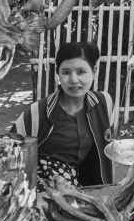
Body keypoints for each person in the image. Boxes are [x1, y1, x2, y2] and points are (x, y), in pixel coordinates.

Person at [11, 42, 114, 191]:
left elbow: (107, 148)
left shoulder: (104, 103)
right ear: (58, 74)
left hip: (81, 181)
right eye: (65, 72)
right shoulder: (36, 113)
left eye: (81, 72)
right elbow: (9, 151)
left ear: (94, 71)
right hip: (40, 184)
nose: (73, 80)